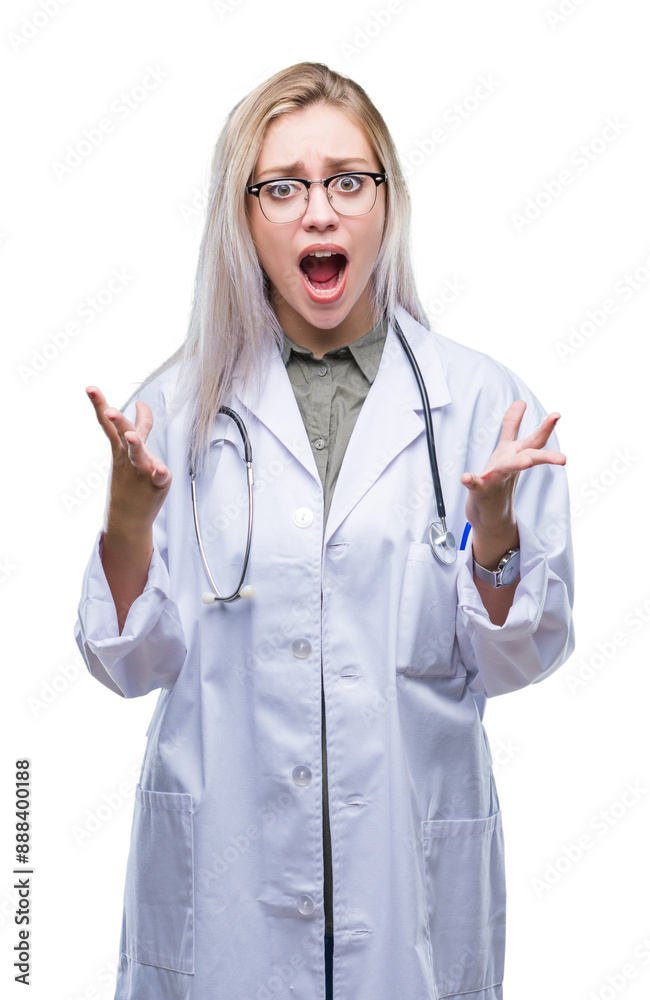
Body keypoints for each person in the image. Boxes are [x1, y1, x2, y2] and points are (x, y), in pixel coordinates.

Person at [74, 61, 574, 1000]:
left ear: (387, 201)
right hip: (226, 897)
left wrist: (495, 534)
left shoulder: (480, 406)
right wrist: (128, 522)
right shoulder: (173, 412)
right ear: (244, 214)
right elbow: (125, 664)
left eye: (349, 180)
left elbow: (516, 659)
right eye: (284, 187)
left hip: (410, 886)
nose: (320, 212)